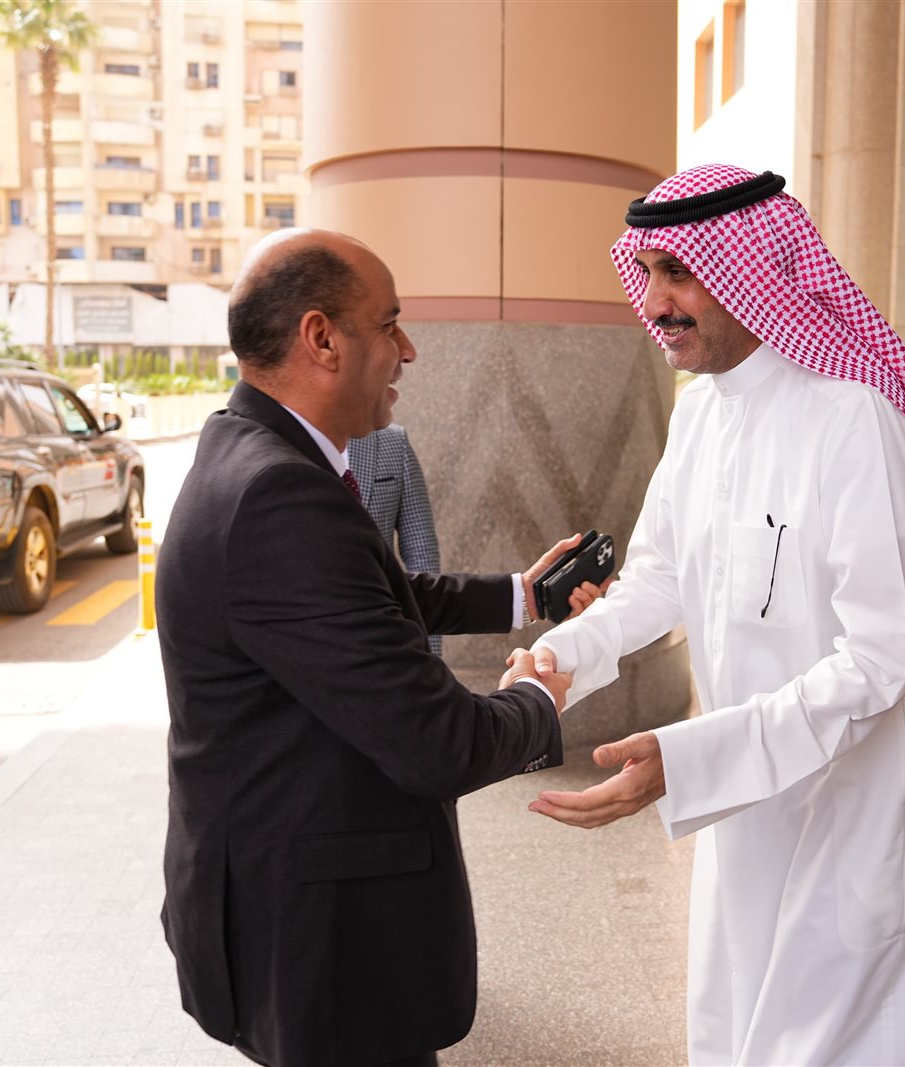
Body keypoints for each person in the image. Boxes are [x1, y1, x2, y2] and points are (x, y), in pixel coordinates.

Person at [519, 165, 905, 1067]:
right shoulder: (700, 418)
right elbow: (658, 577)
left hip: (854, 828)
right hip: (746, 813)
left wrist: (690, 759)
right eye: (648, 273)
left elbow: (878, 665)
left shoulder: (857, 423)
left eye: (679, 272)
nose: (657, 302)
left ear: (753, 270)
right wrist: (565, 656)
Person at [156, 227, 585, 1067]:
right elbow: (440, 744)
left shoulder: (249, 449)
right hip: (322, 946)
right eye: (389, 324)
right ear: (321, 338)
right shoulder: (279, 494)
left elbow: (360, 596)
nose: (408, 349)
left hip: (284, 907)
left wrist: (523, 594)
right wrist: (541, 696)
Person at [348, 424, 444, 654]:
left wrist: (430, 652)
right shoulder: (282, 442)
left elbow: (422, 552)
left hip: (380, 634)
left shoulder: (392, 441)